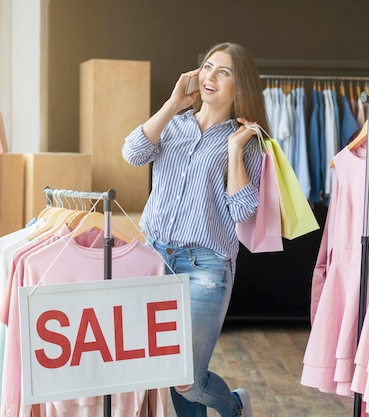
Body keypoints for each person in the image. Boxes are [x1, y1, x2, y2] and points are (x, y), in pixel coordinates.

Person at [122, 42, 270, 417]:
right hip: (154, 257)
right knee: (164, 369)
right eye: (207, 67)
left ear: (242, 86)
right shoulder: (173, 124)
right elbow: (132, 153)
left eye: (225, 71)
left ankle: (234, 406)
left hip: (206, 266)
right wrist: (173, 104)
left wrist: (235, 151)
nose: (211, 77)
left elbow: (242, 211)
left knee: (187, 378)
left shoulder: (248, 141)